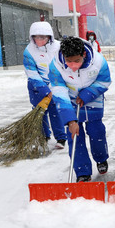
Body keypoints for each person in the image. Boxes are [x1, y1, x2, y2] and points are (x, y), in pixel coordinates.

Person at [49, 36, 112, 182]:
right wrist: (70, 120)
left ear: (83, 54)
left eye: (76, 61)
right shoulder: (55, 65)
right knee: (75, 136)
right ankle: (82, 171)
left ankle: (101, 158)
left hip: (93, 98)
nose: (72, 65)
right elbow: (58, 90)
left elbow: (104, 81)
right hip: (69, 99)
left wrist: (89, 93)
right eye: (68, 61)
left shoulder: (98, 61)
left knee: (97, 131)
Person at [23, 20, 66, 149]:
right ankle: (43, 136)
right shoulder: (29, 51)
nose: (39, 40)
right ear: (32, 37)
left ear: (49, 37)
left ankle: (61, 137)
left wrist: (58, 85)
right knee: (39, 111)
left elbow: (64, 66)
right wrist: (44, 90)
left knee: (55, 111)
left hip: (55, 84)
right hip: (37, 87)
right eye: (36, 37)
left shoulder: (59, 47)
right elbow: (31, 72)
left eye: (43, 37)